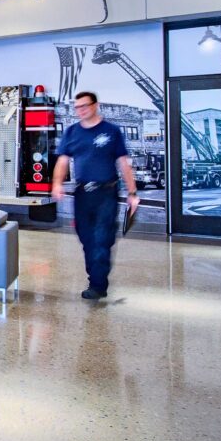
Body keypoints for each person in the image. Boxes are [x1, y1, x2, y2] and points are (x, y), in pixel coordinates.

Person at [53, 91, 139, 301]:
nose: (80, 110)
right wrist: (57, 183)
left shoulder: (111, 131)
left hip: (106, 192)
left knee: (102, 238)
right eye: (77, 107)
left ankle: (98, 285)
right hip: (83, 194)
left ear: (95, 105)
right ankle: (95, 275)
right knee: (86, 238)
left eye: (84, 106)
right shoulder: (72, 132)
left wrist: (132, 192)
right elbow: (63, 161)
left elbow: (124, 163)